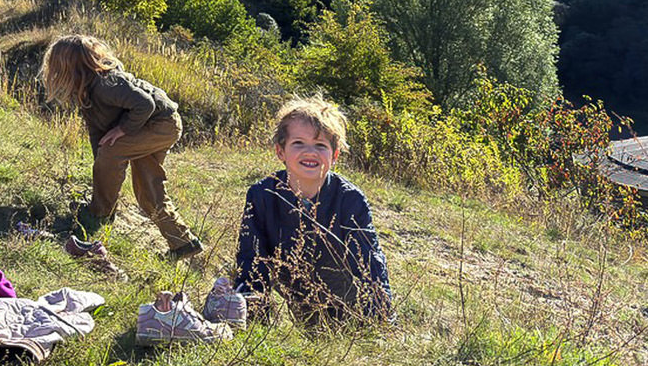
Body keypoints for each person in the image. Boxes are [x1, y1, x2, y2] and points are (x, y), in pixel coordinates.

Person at [234, 96, 393, 325]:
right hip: (297, 298)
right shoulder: (262, 195)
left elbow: (371, 263)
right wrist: (252, 317)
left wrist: (382, 322)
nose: (310, 152)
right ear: (281, 151)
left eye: (320, 145)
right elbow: (252, 259)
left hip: (347, 305)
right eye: (298, 143)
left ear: (334, 155)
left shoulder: (350, 200)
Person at [40, 34, 203, 259]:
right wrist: (100, 161)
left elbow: (145, 104)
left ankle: (99, 214)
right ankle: (183, 243)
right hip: (150, 125)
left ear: (70, 66)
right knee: (147, 189)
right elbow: (98, 133)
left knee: (111, 153)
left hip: (160, 124)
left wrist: (122, 130)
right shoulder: (87, 89)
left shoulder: (106, 84)